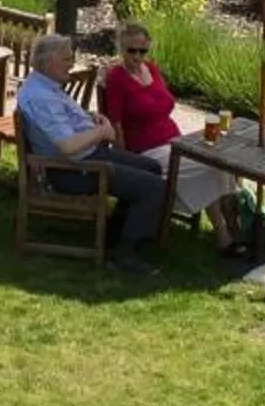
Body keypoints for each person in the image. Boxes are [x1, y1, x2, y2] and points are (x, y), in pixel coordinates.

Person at [98, 24, 254, 256]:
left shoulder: (152, 69)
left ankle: (231, 229)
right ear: (121, 48)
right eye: (132, 51)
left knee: (221, 162)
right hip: (146, 150)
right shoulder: (117, 78)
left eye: (143, 51)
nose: (137, 57)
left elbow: (165, 101)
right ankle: (225, 234)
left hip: (175, 140)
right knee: (211, 167)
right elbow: (116, 124)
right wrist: (125, 159)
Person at [14, 34, 163, 271]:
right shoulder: (41, 98)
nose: (71, 64)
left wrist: (90, 119)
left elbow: (64, 123)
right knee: (152, 187)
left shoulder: (45, 85)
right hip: (72, 170)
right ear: (47, 63)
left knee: (152, 167)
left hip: (84, 157)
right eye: (66, 59)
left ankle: (114, 237)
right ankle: (125, 255)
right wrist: (102, 133)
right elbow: (68, 146)